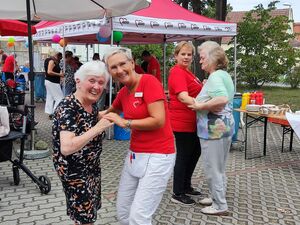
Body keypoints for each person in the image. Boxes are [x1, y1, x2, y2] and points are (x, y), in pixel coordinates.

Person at [102, 47, 175, 225]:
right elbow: (107, 113)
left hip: (159, 155)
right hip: (135, 155)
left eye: (122, 64)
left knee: (139, 217)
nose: (119, 70)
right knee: (123, 213)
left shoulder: (149, 82)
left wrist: (126, 122)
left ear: (132, 63)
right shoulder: (123, 92)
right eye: (113, 67)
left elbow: (158, 120)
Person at [52, 61, 114, 225]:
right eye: (92, 81)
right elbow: (66, 147)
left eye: (101, 83)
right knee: (85, 216)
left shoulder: (89, 104)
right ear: (78, 81)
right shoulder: (68, 107)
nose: (97, 86)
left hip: (91, 166)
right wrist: (98, 128)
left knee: (87, 211)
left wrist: (110, 113)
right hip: (74, 168)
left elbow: (88, 119)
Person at [188, 41, 234, 216]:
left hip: (213, 129)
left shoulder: (215, 77)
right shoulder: (222, 75)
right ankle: (216, 197)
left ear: (213, 58)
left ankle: (219, 205)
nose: (199, 62)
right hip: (224, 127)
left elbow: (221, 98)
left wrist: (200, 106)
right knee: (219, 167)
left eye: (202, 57)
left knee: (212, 167)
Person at [168, 41, 203, 205]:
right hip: (182, 121)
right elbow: (182, 96)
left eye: (189, 54)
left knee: (195, 152)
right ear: (176, 56)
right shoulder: (177, 72)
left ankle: (186, 185)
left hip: (193, 120)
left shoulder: (188, 72)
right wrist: (201, 105)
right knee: (184, 155)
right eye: (183, 54)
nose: (187, 57)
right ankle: (177, 192)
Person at [44, 51, 64, 119]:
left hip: (49, 81)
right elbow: (49, 71)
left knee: (50, 97)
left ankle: (50, 112)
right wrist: (60, 75)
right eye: (59, 56)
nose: (60, 58)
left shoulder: (48, 60)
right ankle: (55, 113)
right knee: (60, 98)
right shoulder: (52, 61)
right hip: (52, 82)